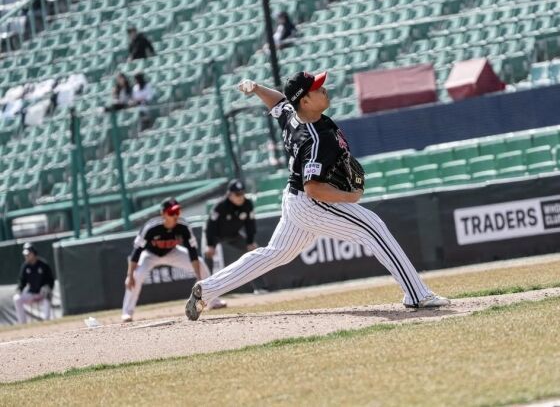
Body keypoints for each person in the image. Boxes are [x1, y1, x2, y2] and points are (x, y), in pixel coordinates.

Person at [184, 71, 450, 321]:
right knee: (373, 227)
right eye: (317, 89)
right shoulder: (315, 140)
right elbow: (313, 188)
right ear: (305, 100)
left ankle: (206, 290)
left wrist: (256, 88)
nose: (324, 90)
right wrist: (349, 197)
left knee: (275, 254)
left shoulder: (293, 113)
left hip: (295, 199)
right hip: (311, 202)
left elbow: (279, 101)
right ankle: (417, 295)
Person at [122, 198, 226, 322]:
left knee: (201, 264)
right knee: (136, 276)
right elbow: (136, 251)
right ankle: (127, 313)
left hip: (172, 252)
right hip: (150, 255)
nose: (175, 215)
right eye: (171, 213)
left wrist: (198, 276)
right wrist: (130, 275)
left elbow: (192, 251)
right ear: (163, 214)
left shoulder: (183, 227)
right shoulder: (151, 227)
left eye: (177, 212)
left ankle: (214, 301)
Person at [205, 179, 269, 294]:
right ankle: (204, 289)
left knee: (253, 253)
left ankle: (260, 287)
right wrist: (210, 244)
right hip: (215, 235)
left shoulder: (247, 204)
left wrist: (250, 242)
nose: (240, 197)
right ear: (229, 194)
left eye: (242, 193)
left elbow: (250, 225)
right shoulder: (220, 206)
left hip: (234, 235)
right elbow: (210, 226)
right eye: (237, 194)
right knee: (208, 254)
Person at [13, 243, 55, 324]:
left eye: (28, 254)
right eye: (25, 255)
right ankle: (22, 323)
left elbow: (51, 280)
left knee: (47, 293)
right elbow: (22, 281)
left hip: (42, 293)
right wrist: (19, 289)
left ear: (33, 253)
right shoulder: (25, 267)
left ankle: (46, 321)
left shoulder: (43, 265)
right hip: (32, 293)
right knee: (17, 298)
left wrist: (48, 286)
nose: (26, 256)